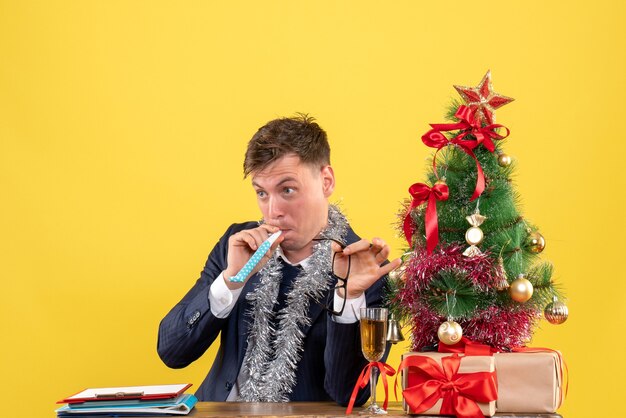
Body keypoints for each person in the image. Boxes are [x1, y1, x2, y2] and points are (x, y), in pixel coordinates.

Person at [157, 114, 401, 405]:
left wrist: (350, 297)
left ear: (326, 181)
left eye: (287, 190)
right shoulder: (236, 244)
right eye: (261, 192)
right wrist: (230, 282)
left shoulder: (368, 269)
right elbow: (172, 352)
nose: (273, 211)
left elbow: (351, 395)